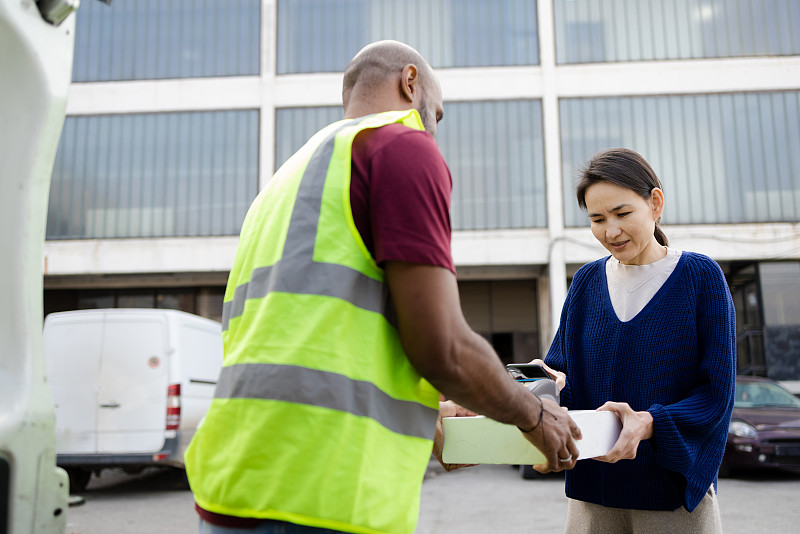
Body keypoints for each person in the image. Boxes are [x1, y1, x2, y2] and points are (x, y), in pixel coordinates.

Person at [184, 40, 581, 534]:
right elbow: (443, 347)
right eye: (437, 113)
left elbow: (315, 343)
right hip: (324, 494)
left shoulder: (286, 181)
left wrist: (427, 421)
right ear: (410, 82)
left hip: (233, 483)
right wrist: (534, 416)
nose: (433, 127)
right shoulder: (400, 146)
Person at [535, 148, 736, 533]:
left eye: (622, 213)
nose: (610, 231)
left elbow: (716, 395)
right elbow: (564, 378)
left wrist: (648, 422)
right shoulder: (586, 283)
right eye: (597, 219)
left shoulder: (701, 278)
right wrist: (546, 385)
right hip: (592, 497)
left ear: (655, 203)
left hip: (672, 496)